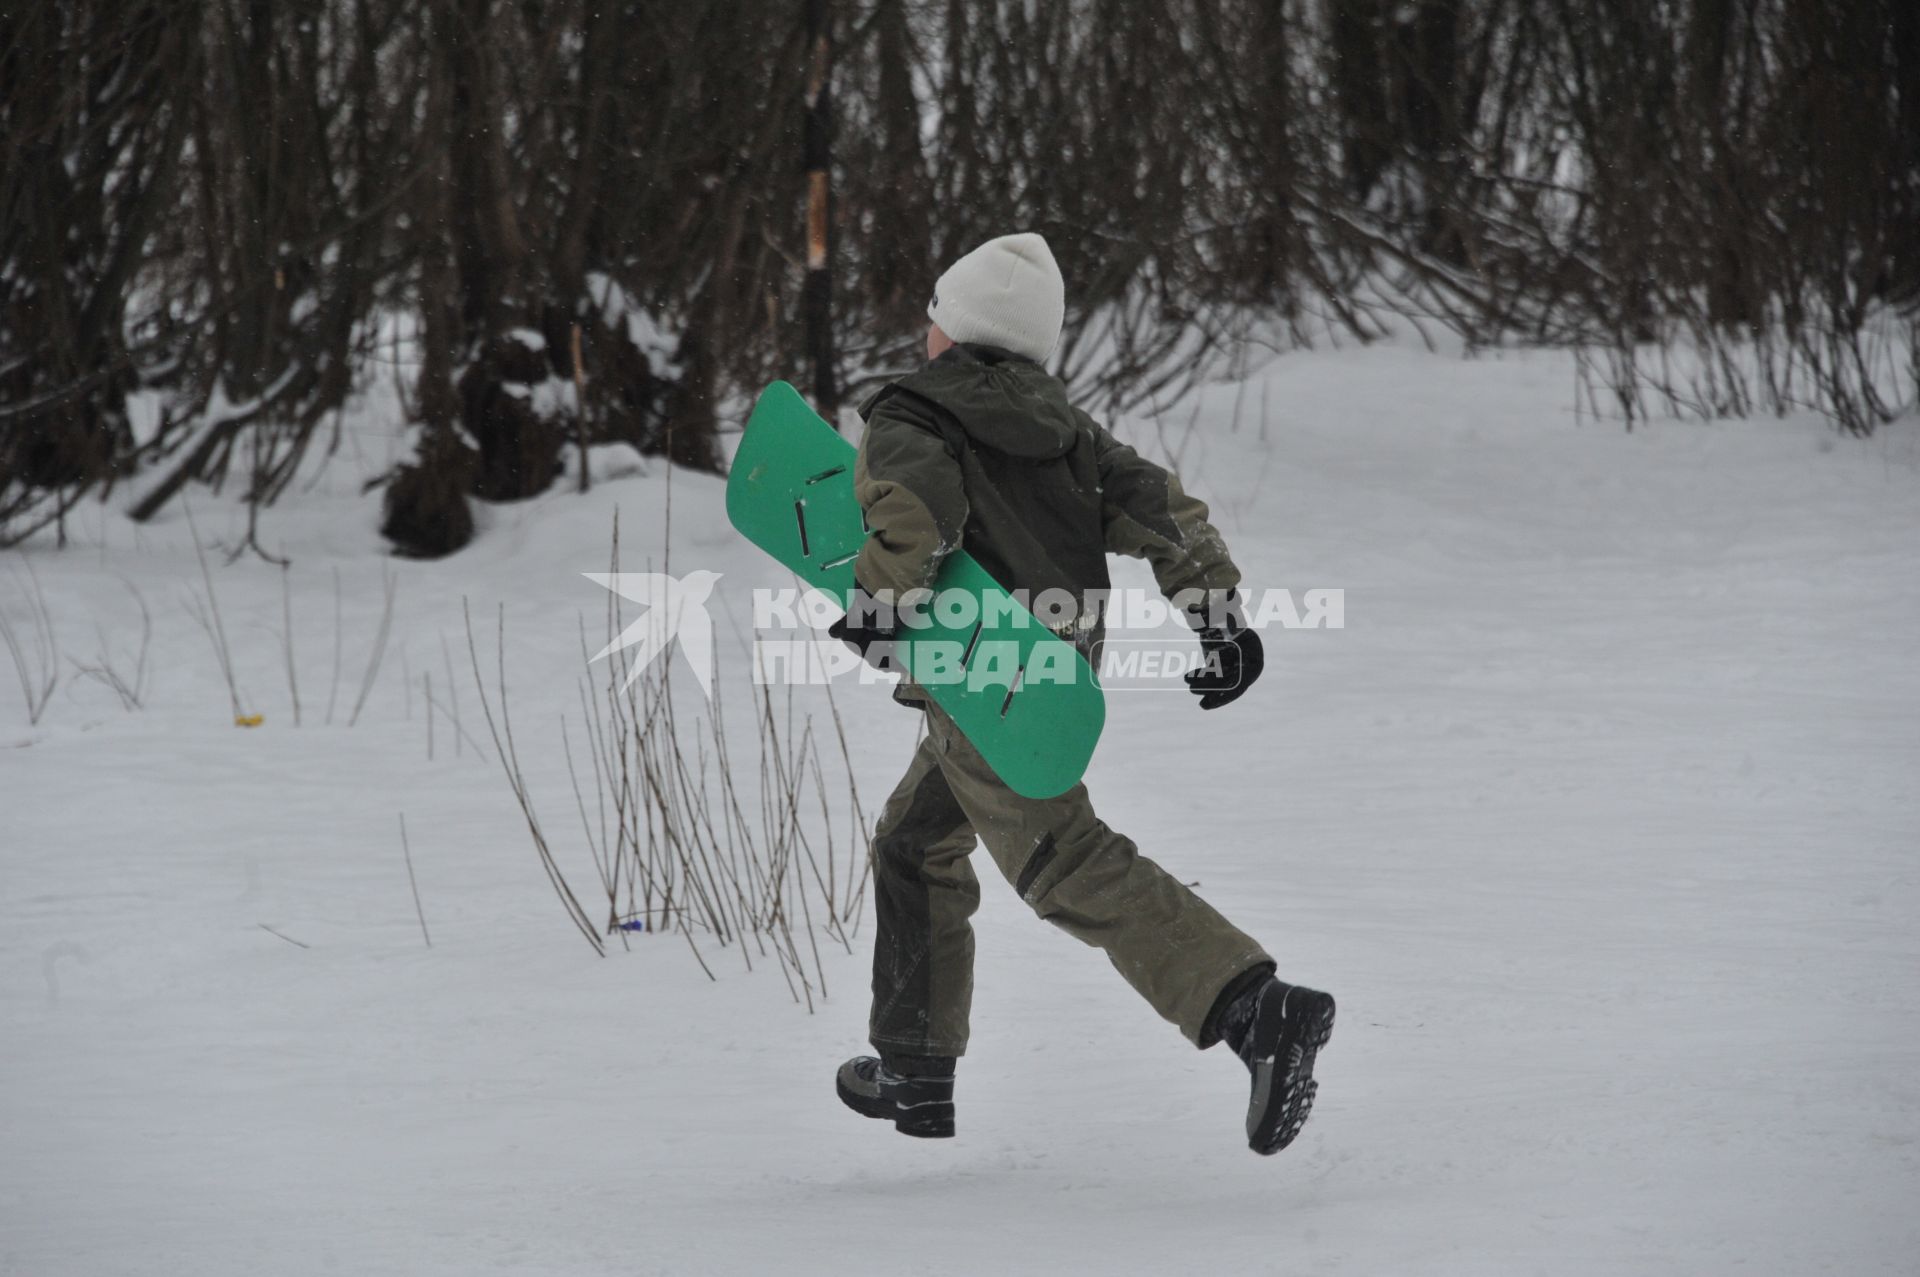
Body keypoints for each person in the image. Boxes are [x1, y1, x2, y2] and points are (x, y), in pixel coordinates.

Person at [827, 233, 1333, 1156]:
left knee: (1059, 856)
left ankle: (1256, 1007)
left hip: (984, 670)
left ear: (949, 328)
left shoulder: (913, 414)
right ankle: (914, 1063)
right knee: (915, 841)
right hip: (1048, 667)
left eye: (936, 315)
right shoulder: (1064, 430)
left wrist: (879, 601)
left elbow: (917, 515)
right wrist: (1217, 614)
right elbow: (1156, 505)